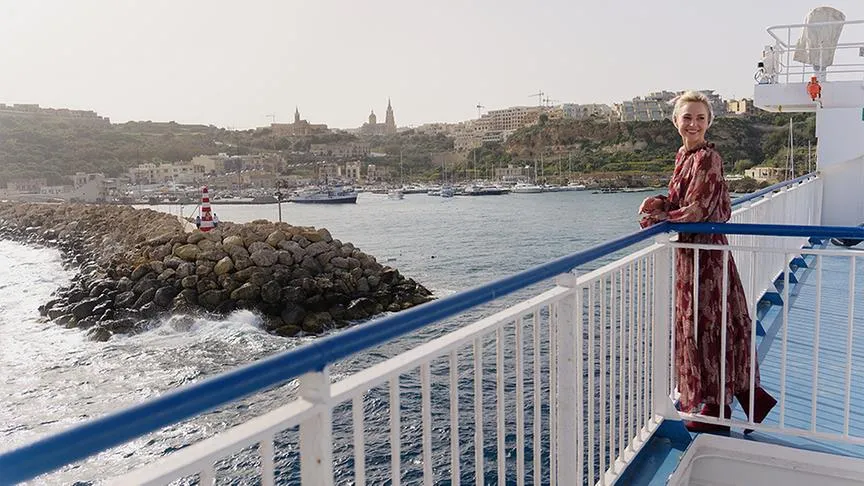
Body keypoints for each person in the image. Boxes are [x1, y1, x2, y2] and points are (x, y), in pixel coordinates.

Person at [639, 91, 776, 433]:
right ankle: (724, 399)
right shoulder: (683, 156)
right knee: (699, 326)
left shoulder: (707, 158)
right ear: (676, 122)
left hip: (708, 256)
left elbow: (697, 210)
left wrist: (655, 218)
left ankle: (717, 407)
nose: (693, 124)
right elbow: (679, 198)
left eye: (700, 118)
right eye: (687, 117)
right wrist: (659, 201)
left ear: (709, 122)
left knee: (710, 326)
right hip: (691, 254)